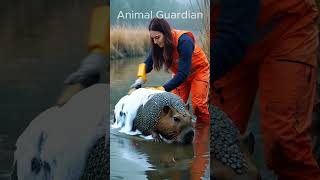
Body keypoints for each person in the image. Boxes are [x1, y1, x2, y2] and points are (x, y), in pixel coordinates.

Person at [210, 0, 320, 179]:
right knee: (218, 146)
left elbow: (232, 40)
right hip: (223, 34)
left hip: (287, 25)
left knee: (285, 139)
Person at [130, 18, 210, 123]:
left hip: (198, 71)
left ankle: (205, 132)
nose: (155, 41)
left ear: (166, 34)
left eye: (157, 37)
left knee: (198, 106)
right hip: (179, 75)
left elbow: (183, 74)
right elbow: (148, 63)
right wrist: (139, 79)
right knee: (174, 107)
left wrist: (162, 89)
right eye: (153, 38)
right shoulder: (158, 44)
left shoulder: (184, 40)